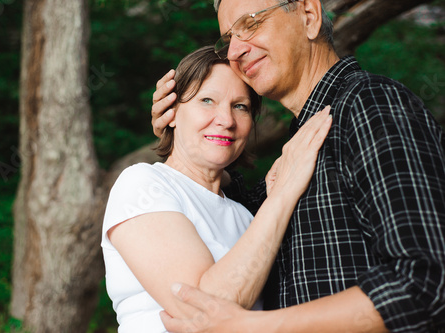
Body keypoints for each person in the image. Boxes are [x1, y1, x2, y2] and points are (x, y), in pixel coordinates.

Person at [151, 1, 445, 332]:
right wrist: (183, 135)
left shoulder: (369, 103)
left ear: (309, 15)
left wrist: (253, 327)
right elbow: (236, 215)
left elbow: (427, 283)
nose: (234, 50)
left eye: (250, 24)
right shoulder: (299, 147)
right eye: (228, 37)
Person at [101, 45, 332, 332]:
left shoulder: (245, 213)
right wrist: (285, 192)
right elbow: (201, 312)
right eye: (207, 100)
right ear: (170, 112)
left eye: (240, 106)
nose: (226, 120)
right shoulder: (142, 184)